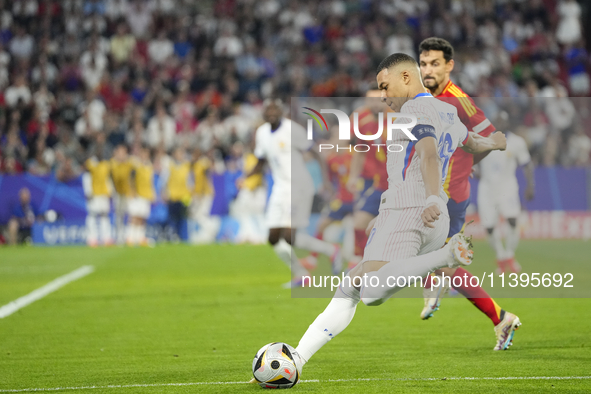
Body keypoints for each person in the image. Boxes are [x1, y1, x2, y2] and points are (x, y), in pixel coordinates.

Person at [284, 53, 507, 376]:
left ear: (405, 77)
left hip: (411, 210)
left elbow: (428, 152)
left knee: (370, 292)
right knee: (352, 284)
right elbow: (471, 143)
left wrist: (429, 197)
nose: (384, 96)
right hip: (432, 215)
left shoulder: (412, 112)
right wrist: (496, 142)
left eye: (385, 87)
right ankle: (297, 360)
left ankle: (445, 255)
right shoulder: (448, 111)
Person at [418, 37, 522, 350]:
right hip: (437, 190)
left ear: (449, 65)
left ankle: (434, 285)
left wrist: (467, 161)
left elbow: (493, 137)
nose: (428, 69)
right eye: (423, 63)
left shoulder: (458, 99)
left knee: (423, 253)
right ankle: (500, 317)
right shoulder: (425, 97)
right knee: (442, 262)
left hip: (449, 192)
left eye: (435, 63)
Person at [248, 99, 342, 287]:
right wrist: (246, 177)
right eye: (268, 110)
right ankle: (307, 269)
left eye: (275, 109)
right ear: (263, 114)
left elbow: (315, 152)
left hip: (298, 186)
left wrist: (325, 180)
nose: (272, 113)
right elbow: (260, 160)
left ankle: (325, 255)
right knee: (273, 238)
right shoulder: (262, 133)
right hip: (279, 188)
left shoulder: (292, 129)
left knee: (290, 237)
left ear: (281, 111)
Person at [477, 111, 535, 273]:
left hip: (507, 186)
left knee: (512, 220)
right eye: (497, 120)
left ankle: (509, 255)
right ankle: (501, 256)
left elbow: (527, 164)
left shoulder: (516, 142)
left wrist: (531, 185)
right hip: (487, 188)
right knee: (489, 227)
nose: (500, 123)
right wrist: (475, 171)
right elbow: (472, 161)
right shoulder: (484, 139)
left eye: (503, 121)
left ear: (508, 123)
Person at [345, 90, 389, 271]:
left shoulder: (399, 122)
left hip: (400, 187)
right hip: (379, 185)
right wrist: (353, 176)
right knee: (359, 223)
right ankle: (360, 262)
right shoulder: (365, 125)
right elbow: (360, 152)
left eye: (379, 101)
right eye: (371, 101)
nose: (375, 105)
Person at [84, 150, 113, 246]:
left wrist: (110, 190)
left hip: (104, 193)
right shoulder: (91, 164)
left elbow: (107, 178)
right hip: (94, 194)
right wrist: (88, 191)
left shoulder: (106, 165)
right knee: (92, 215)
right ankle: (92, 238)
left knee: (104, 215)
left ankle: (106, 238)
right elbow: (86, 177)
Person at [127, 144, 155, 246]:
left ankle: (139, 238)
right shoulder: (135, 165)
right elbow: (131, 179)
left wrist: (152, 193)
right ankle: (130, 237)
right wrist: (132, 192)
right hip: (136, 195)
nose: (144, 156)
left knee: (142, 218)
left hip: (146, 195)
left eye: (146, 154)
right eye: (143, 154)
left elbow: (150, 181)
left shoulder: (149, 166)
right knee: (134, 216)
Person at [162, 146, 191, 241]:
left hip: (184, 197)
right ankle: (172, 237)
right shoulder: (170, 167)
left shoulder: (186, 166)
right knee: (172, 219)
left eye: (181, 153)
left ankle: (184, 238)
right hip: (173, 197)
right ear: (174, 154)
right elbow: (164, 181)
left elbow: (189, 182)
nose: (180, 156)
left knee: (183, 218)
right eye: (178, 153)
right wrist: (164, 192)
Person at [110, 144, 133, 244]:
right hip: (117, 192)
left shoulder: (129, 163)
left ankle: (128, 236)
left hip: (126, 192)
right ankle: (119, 236)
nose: (121, 155)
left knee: (128, 215)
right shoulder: (113, 163)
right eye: (119, 152)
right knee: (118, 216)